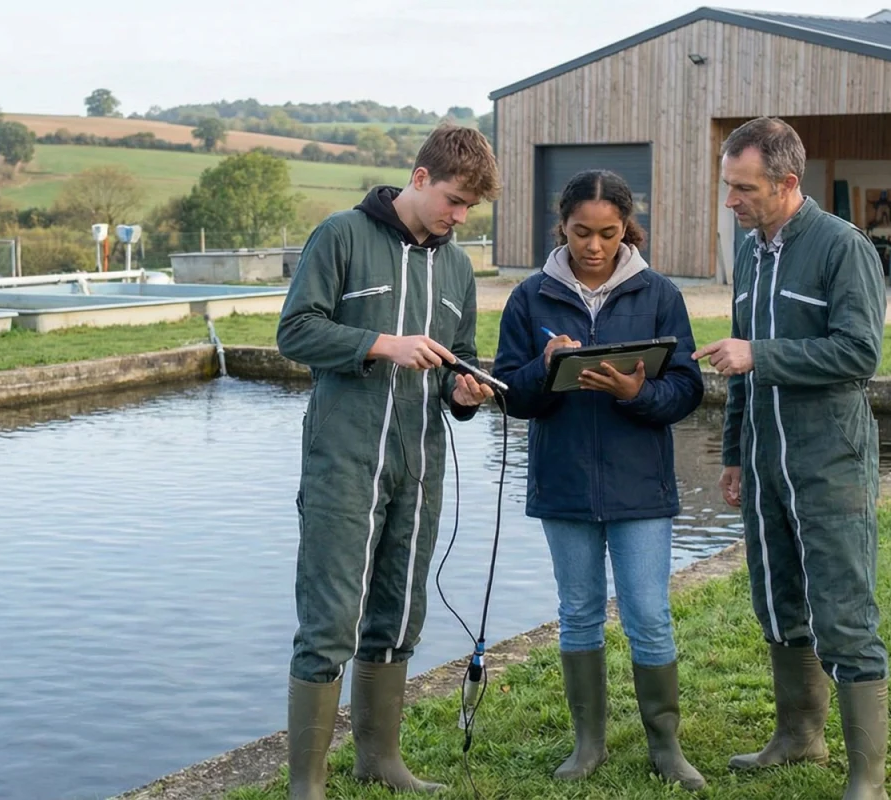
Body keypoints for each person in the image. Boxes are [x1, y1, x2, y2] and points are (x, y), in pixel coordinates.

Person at [275, 123, 499, 800]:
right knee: (330, 622)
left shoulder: (458, 267)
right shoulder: (340, 235)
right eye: (454, 201)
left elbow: (460, 362)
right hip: (344, 462)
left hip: (420, 466)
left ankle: (380, 762)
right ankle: (305, 785)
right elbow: (294, 331)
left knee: (400, 613)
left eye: (470, 210)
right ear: (422, 178)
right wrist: (382, 343)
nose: (459, 218)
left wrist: (465, 392)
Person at [693, 116, 890, 800]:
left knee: (842, 608)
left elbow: (859, 354)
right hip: (764, 461)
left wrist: (760, 355)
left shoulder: (843, 249)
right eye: (727, 186)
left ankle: (868, 777)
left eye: (743, 189)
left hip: (829, 461)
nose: (730, 202)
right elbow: (742, 359)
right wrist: (733, 452)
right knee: (777, 599)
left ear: (786, 184)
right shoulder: (749, 252)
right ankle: (799, 736)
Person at [491, 169, 707, 790]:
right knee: (579, 613)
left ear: (625, 229)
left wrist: (638, 392)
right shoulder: (529, 297)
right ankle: (588, 744)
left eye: (608, 233)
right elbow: (512, 393)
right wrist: (545, 365)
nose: (594, 246)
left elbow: (686, 389)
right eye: (582, 232)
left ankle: (666, 746)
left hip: (641, 486)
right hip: (564, 484)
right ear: (561, 226)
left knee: (648, 613)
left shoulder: (660, 293)